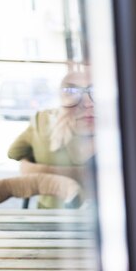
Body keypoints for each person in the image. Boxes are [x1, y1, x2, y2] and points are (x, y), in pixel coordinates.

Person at [7, 69, 95, 208]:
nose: (88, 103)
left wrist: (35, 165)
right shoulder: (127, 130)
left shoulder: (42, 121)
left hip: (51, 215)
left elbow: (13, 153)